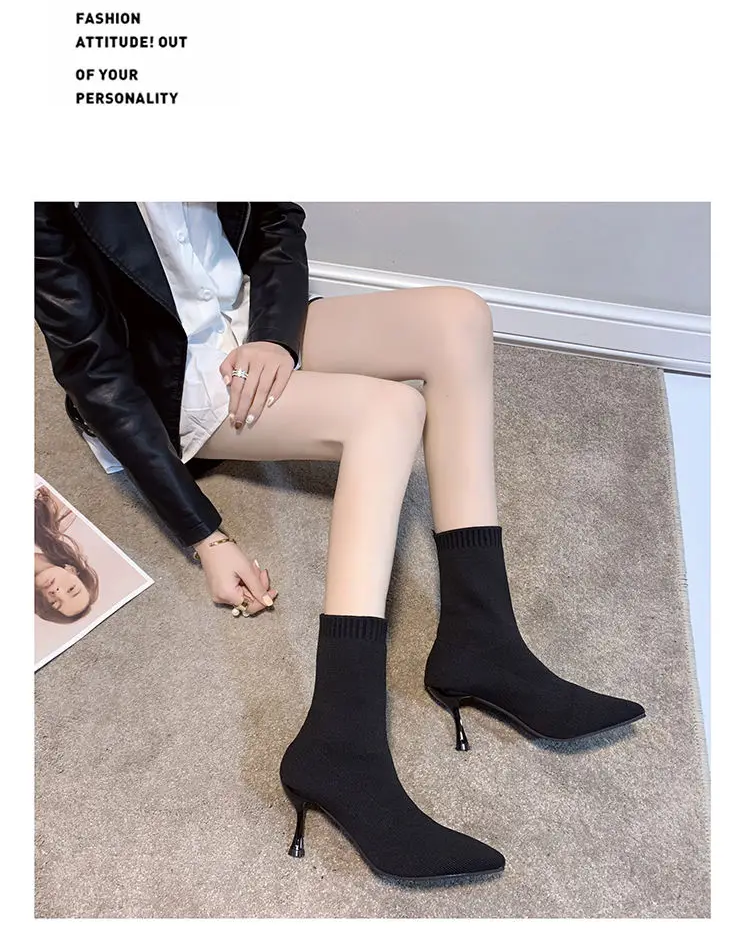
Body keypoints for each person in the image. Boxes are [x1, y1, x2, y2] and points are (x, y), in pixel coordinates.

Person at [35, 201, 644, 883]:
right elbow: (94, 370)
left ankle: (484, 639)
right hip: (167, 379)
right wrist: (207, 535)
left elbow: (275, 222)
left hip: (244, 324)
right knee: (391, 411)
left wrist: (276, 338)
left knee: (460, 317)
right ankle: (340, 740)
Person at [34, 485, 100, 621]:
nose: (57, 592)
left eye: (54, 603)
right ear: (72, 570)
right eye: (71, 589)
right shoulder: (52, 511)